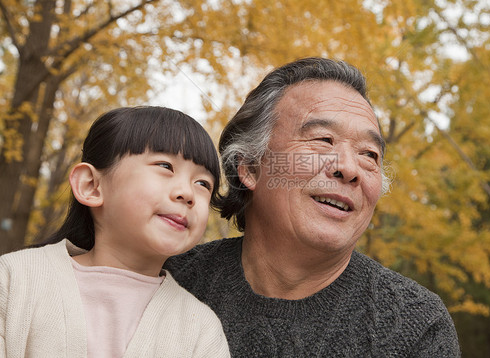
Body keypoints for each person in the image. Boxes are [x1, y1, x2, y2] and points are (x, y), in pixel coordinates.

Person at [166, 58, 461, 357]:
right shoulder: (165, 280)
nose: (349, 168)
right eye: (323, 139)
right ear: (251, 167)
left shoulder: (416, 326)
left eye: (369, 154)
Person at [0, 106, 230, 357]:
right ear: (91, 186)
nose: (187, 193)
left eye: (203, 184)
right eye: (165, 166)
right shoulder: (13, 280)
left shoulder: (201, 330)